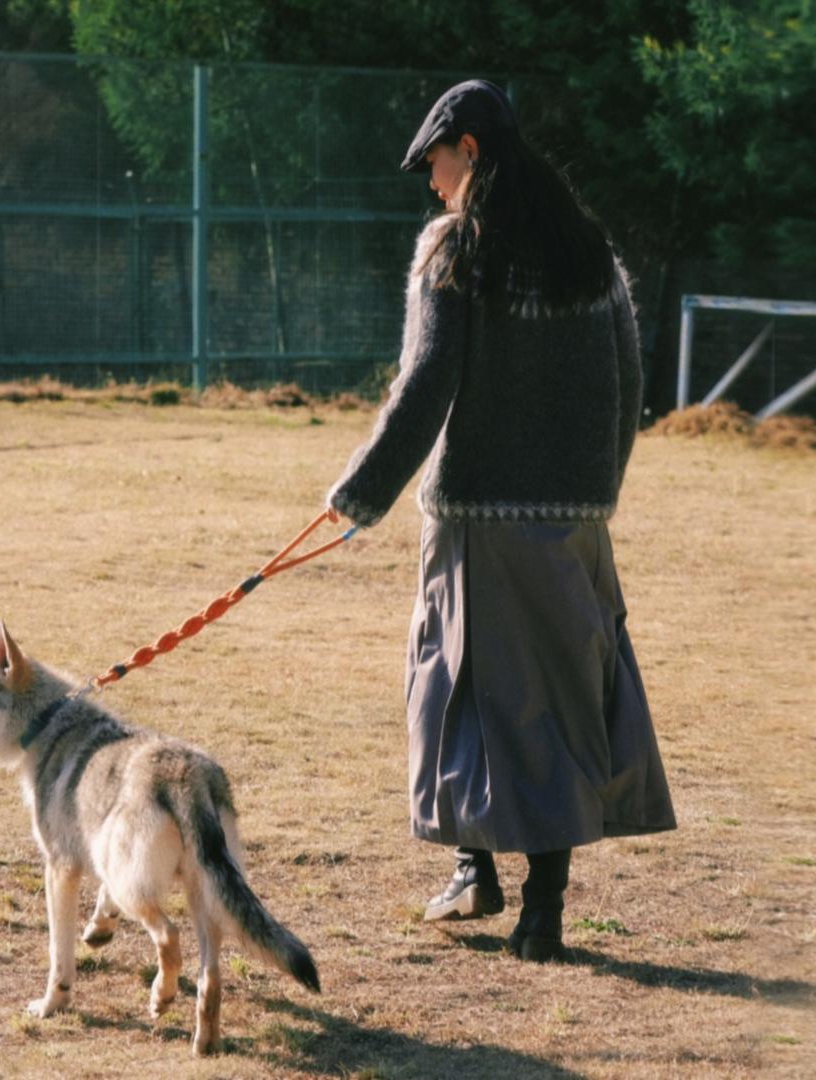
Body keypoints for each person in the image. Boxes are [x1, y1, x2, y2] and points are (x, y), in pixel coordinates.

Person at [327, 80, 676, 962]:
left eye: (437, 165)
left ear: (470, 151)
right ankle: (542, 908)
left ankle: (473, 868)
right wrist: (597, 494)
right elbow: (629, 381)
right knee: (557, 701)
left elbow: (426, 383)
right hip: (573, 522)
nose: (433, 186)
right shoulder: (588, 250)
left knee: (461, 695)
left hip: (477, 519)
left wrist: (359, 495)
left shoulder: (456, 247)